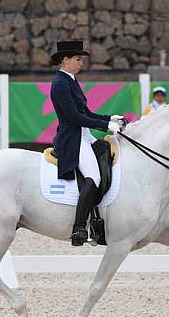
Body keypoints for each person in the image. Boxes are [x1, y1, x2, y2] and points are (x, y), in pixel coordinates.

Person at [49, 40, 124, 246]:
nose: (81, 63)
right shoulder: (60, 84)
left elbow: (86, 113)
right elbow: (74, 117)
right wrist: (106, 126)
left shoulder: (71, 80)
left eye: (81, 59)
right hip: (72, 138)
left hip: (83, 134)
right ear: (65, 60)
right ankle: (79, 228)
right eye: (78, 59)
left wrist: (110, 118)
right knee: (94, 176)